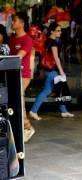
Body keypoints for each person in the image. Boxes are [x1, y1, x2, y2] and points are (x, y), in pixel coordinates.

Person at [29, 22, 74, 121]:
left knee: (58, 89)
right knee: (47, 90)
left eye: (60, 30)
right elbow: (56, 58)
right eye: (58, 30)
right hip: (52, 70)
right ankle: (33, 111)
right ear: (52, 31)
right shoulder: (53, 42)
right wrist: (61, 71)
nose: (60, 32)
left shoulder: (47, 41)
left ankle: (64, 111)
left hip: (47, 69)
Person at [9, 12, 35, 143]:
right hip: (12, 74)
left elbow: (19, 56)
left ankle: (27, 127)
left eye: (15, 21)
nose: (12, 23)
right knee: (16, 99)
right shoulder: (12, 39)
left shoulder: (27, 39)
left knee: (18, 98)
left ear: (22, 23)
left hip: (23, 75)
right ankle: (22, 127)